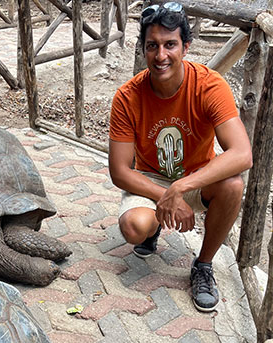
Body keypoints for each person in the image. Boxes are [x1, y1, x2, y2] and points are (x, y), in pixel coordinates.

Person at [108, 2, 252, 312]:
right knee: (134, 228)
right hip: (151, 177)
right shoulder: (127, 97)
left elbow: (242, 154)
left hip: (196, 175)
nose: (161, 56)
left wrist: (181, 188)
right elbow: (120, 172)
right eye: (152, 46)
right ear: (144, 49)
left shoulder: (209, 85)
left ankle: (203, 265)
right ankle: (153, 227)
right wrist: (166, 194)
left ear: (185, 46)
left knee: (233, 185)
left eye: (170, 44)